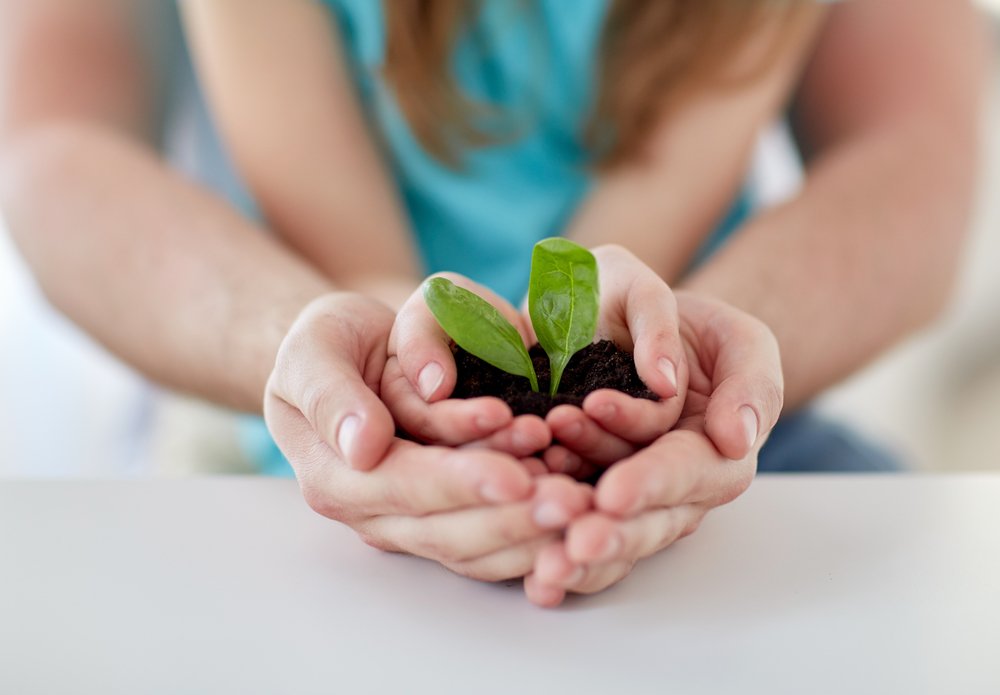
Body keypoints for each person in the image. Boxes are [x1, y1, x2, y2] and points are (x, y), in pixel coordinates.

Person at [0, 0, 985, 607]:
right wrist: (345, 354)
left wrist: (690, 352)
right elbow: (48, 149)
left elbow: (916, 157)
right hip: (286, 419)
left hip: (709, 423)